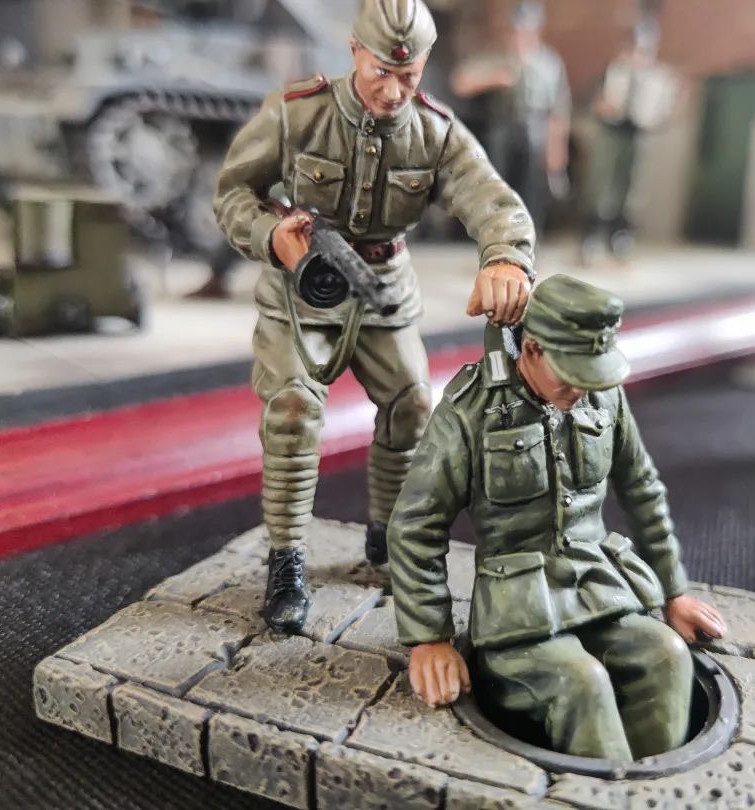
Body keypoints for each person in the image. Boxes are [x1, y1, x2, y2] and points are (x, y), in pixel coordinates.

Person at [214, 0, 536, 633]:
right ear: (355, 52)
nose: (392, 91)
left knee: (414, 403)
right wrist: (271, 236)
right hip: (302, 289)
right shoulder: (297, 112)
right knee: (292, 410)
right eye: (380, 73)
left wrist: (506, 258)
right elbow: (232, 193)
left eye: (408, 76)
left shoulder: (436, 132)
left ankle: (387, 537)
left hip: (384, 291)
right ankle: (287, 559)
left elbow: (492, 200)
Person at [388, 274, 727, 760]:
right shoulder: (472, 410)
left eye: (592, 373)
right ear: (532, 349)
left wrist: (674, 591)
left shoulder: (603, 396)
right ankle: (599, 790)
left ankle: (650, 784)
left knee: (666, 656)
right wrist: (430, 638)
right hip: (515, 609)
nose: (582, 389)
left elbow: (642, 489)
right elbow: (415, 524)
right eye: (570, 373)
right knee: (581, 683)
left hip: (600, 587)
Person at [450, 1, 570, 235]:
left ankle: (529, 239)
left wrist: (557, 150)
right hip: (503, 126)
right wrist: (494, 78)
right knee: (499, 186)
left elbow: (558, 110)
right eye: (516, 30)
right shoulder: (498, 56)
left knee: (532, 188)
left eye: (526, 30)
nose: (520, 36)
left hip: (536, 128)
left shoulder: (549, 63)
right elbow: (461, 82)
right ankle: (497, 237)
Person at [580, 20, 680, 264]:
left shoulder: (659, 78)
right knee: (602, 184)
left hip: (639, 133)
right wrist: (602, 106)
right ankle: (592, 236)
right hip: (612, 130)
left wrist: (660, 114)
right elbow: (594, 100)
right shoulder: (614, 71)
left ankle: (621, 238)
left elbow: (666, 109)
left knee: (632, 188)